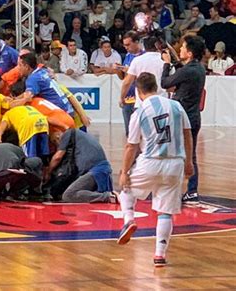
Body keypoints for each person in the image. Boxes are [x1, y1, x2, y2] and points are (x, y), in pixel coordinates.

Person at [117, 72, 194, 268]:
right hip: (175, 162)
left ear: (138, 90)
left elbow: (131, 145)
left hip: (150, 161)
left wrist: (124, 172)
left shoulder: (140, 112)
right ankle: (159, 254)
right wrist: (189, 162)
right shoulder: (176, 105)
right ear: (156, 87)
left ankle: (129, 220)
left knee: (125, 191)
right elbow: (187, 134)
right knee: (165, 211)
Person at [160, 35, 206, 204]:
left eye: (183, 47)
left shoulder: (187, 70)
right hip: (194, 117)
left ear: (190, 52)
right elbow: (183, 72)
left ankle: (170, 189)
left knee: (172, 153)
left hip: (181, 117)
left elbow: (165, 83)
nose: (180, 49)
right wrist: (175, 59)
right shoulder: (199, 68)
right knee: (191, 155)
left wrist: (166, 64)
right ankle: (192, 191)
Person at [45, 128, 115, 203]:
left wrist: (48, 172)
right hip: (100, 170)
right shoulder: (80, 138)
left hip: (96, 171)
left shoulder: (68, 134)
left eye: (55, 141)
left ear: (57, 135)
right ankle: (105, 196)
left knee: (68, 195)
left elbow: (57, 157)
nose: (57, 144)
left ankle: (107, 197)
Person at [18, 51, 74, 116]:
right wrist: (16, 98)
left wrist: (11, 103)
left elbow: (27, 98)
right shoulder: (43, 71)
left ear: (27, 67)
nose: (18, 68)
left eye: (20, 65)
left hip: (61, 114)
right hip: (68, 110)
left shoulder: (32, 79)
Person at [119, 35, 166, 109]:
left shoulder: (137, 61)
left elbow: (127, 82)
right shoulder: (165, 61)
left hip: (142, 104)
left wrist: (122, 98)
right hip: (163, 103)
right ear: (158, 46)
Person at [117, 31, 144, 136]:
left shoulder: (144, 57)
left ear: (136, 42)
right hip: (128, 97)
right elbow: (124, 78)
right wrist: (119, 70)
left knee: (140, 132)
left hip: (140, 97)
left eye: (128, 45)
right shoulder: (128, 56)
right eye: (124, 45)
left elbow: (145, 77)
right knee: (129, 132)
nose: (126, 48)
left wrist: (131, 71)